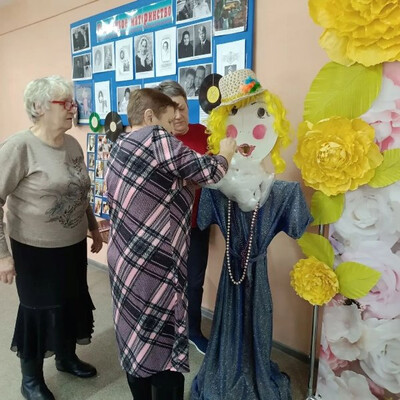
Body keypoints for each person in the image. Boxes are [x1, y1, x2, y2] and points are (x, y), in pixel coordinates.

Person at [105, 88, 236, 400]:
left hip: (124, 261)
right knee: (164, 345)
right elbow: (211, 172)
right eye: (167, 120)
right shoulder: (156, 138)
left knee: (135, 336)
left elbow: (161, 183)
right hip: (156, 265)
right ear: (150, 116)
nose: (172, 128)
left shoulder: (120, 144)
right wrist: (227, 151)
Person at [190, 69, 312, 399]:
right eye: (234, 119)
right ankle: (229, 367)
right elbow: (202, 219)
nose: (245, 131)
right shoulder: (217, 191)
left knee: (258, 319)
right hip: (232, 275)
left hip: (257, 277)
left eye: (258, 115)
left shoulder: (282, 193)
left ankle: (253, 367)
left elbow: (299, 227)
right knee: (229, 322)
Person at [0, 75, 103, 400]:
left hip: (71, 245)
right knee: (39, 310)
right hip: (34, 250)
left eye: (73, 103)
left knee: (71, 301)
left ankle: (66, 357)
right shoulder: (19, 147)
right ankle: (30, 379)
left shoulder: (72, 144)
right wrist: (2, 255)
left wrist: (92, 227)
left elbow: (80, 191)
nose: (74, 108)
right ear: (39, 107)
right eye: (66, 103)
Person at [157, 80, 212, 354]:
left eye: (183, 107)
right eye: (173, 109)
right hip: (167, 225)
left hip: (197, 222)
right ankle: (166, 331)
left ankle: (193, 330)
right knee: (167, 280)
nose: (179, 115)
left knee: (195, 280)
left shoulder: (204, 134)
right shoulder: (159, 140)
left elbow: (219, 171)